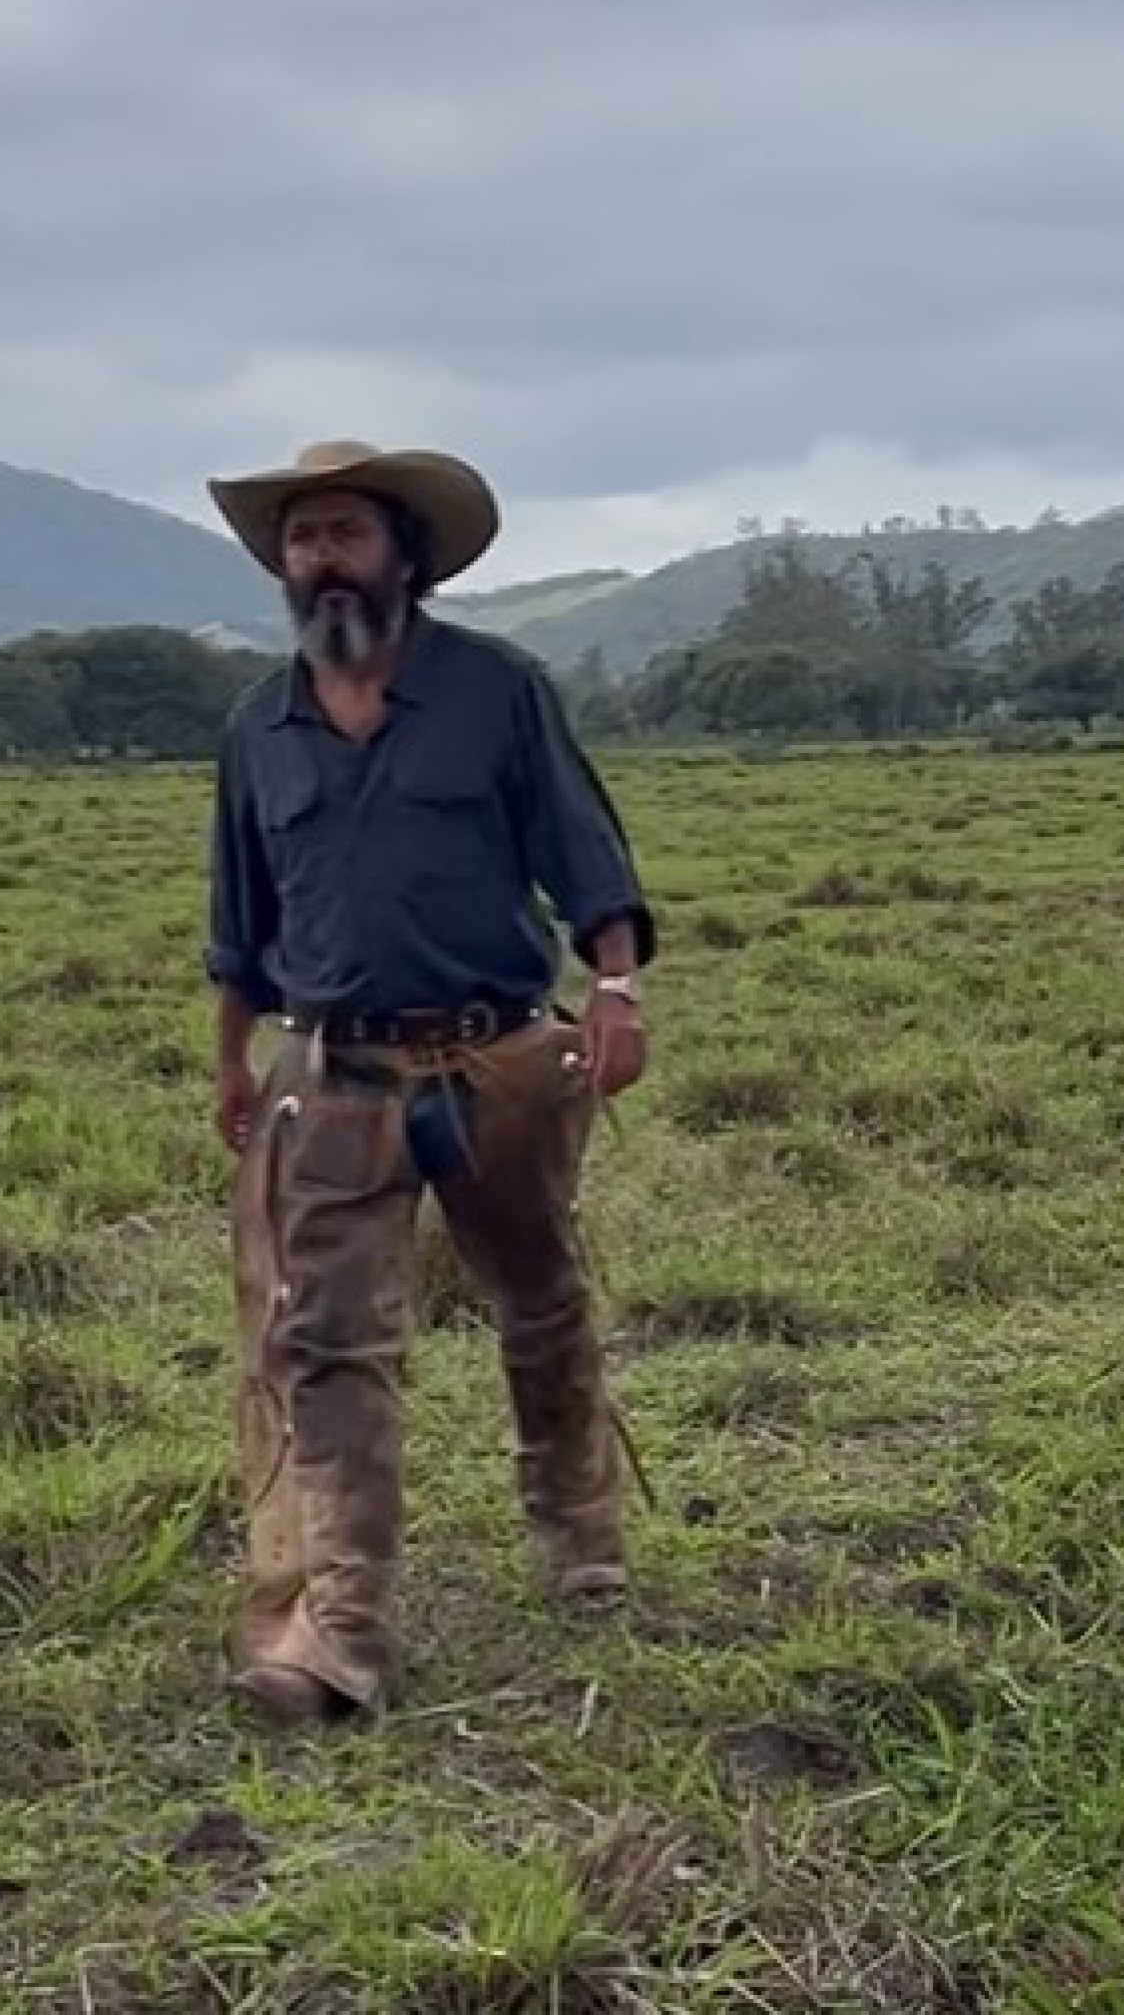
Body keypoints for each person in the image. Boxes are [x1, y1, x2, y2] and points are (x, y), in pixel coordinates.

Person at [203, 437, 657, 1727]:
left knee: (539, 1294)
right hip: (333, 1069)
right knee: (326, 1341)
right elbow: (241, 916)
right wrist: (232, 1056)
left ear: (406, 554)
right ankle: (343, 1629)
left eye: (346, 533)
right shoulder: (260, 728)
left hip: (502, 1056)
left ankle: (578, 1528)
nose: (322, 560)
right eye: (302, 539)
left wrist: (615, 990)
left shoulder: (496, 692)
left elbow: (586, 854)